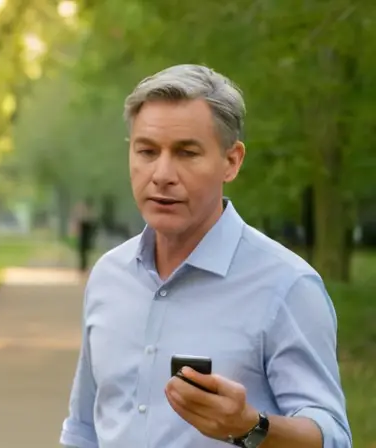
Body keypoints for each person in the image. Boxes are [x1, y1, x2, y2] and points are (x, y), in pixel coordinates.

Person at [60, 64, 351, 448]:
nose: (162, 174)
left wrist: (252, 426)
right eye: (147, 151)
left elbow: (332, 437)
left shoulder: (287, 286)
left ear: (232, 161)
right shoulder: (109, 275)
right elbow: (84, 427)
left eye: (186, 153)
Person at [71, 198, 98, 272]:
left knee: (84, 252)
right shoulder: (84, 215)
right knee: (83, 252)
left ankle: (83, 266)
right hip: (84, 235)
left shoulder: (88, 215)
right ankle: (82, 266)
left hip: (86, 235)